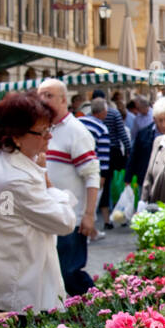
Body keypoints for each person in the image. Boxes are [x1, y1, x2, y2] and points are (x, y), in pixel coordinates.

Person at [0, 92, 77, 314]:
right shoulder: (16, 179)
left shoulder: (6, 163)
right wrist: (49, 183)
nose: (48, 137)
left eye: (49, 129)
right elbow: (65, 222)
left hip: (14, 283)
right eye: (42, 132)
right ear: (16, 136)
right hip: (22, 292)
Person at [38, 78, 100, 297]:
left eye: (49, 95)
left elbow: (92, 175)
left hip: (70, 217)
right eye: (41, 95)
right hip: (48, 216)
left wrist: (89, 215)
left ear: (64, 99)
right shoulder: (41, 129)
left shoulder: (76, 131)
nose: (42, 100)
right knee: (53, 274)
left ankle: (96, 304)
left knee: (69, 272)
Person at [91, 88, 130, 229]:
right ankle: (121, 215)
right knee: (119, 185)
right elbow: (122, 134)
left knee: (104, 187)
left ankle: (107, 220)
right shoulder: (114, 113)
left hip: (98, 155)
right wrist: (129, 150)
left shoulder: (88, 117)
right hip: (114, 153)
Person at [79, 98, 111, 237]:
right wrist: (102, 175)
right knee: (92, 202)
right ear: (103, 112)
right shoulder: (101, 128)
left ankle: (91, 231)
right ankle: (89, 231)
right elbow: (103, 155)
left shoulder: (79, 122)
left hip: (78, 167)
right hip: (92, 169)